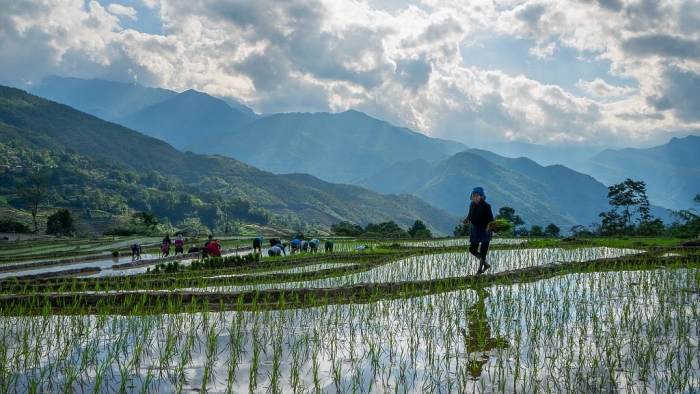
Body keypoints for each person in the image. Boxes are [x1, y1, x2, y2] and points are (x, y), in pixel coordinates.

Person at [464, 186, 495, 274]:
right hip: (475, 229)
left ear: (481, 196)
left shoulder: (486, 206)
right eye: (474, 196)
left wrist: (489, 227)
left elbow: (492, 220)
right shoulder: (472, 204)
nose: (475, 198)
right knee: (472, 249)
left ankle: (480, 269)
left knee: (483, 250)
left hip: (485, 230)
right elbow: (470, 215)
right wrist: (467, 219)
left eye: (477, 196)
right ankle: (485, 264)